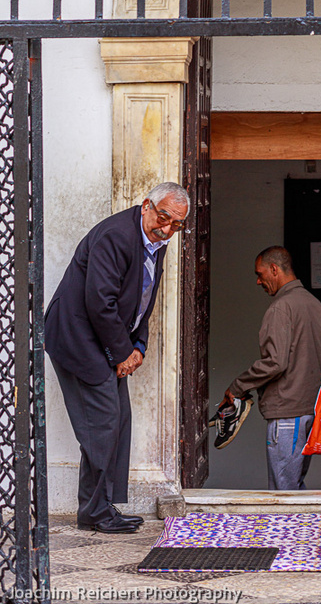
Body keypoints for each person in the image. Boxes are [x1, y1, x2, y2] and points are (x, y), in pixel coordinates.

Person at [45, 182, 190, 534]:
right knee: (103, 423)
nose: (168, 229)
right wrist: (122, 352)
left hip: (107, 340)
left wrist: (138, 346)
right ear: (146, 206)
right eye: (164, 218)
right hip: (77, 338)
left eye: (177, 225)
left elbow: (143, 298)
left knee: (118, 420)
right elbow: (100, 302)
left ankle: (100, 506)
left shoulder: (157, 239)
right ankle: (94, 511)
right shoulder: (115, 236)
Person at [221, 246, 321, 490]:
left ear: (274, 269)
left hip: (287, 414)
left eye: (260, 274)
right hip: (310, 409)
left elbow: (275, 362)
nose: (258, 281)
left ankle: (293, 529)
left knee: (285, 493)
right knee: (294, 488)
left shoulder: (281, 307)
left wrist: (238, 386)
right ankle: (300, 529)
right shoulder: (315, 305)